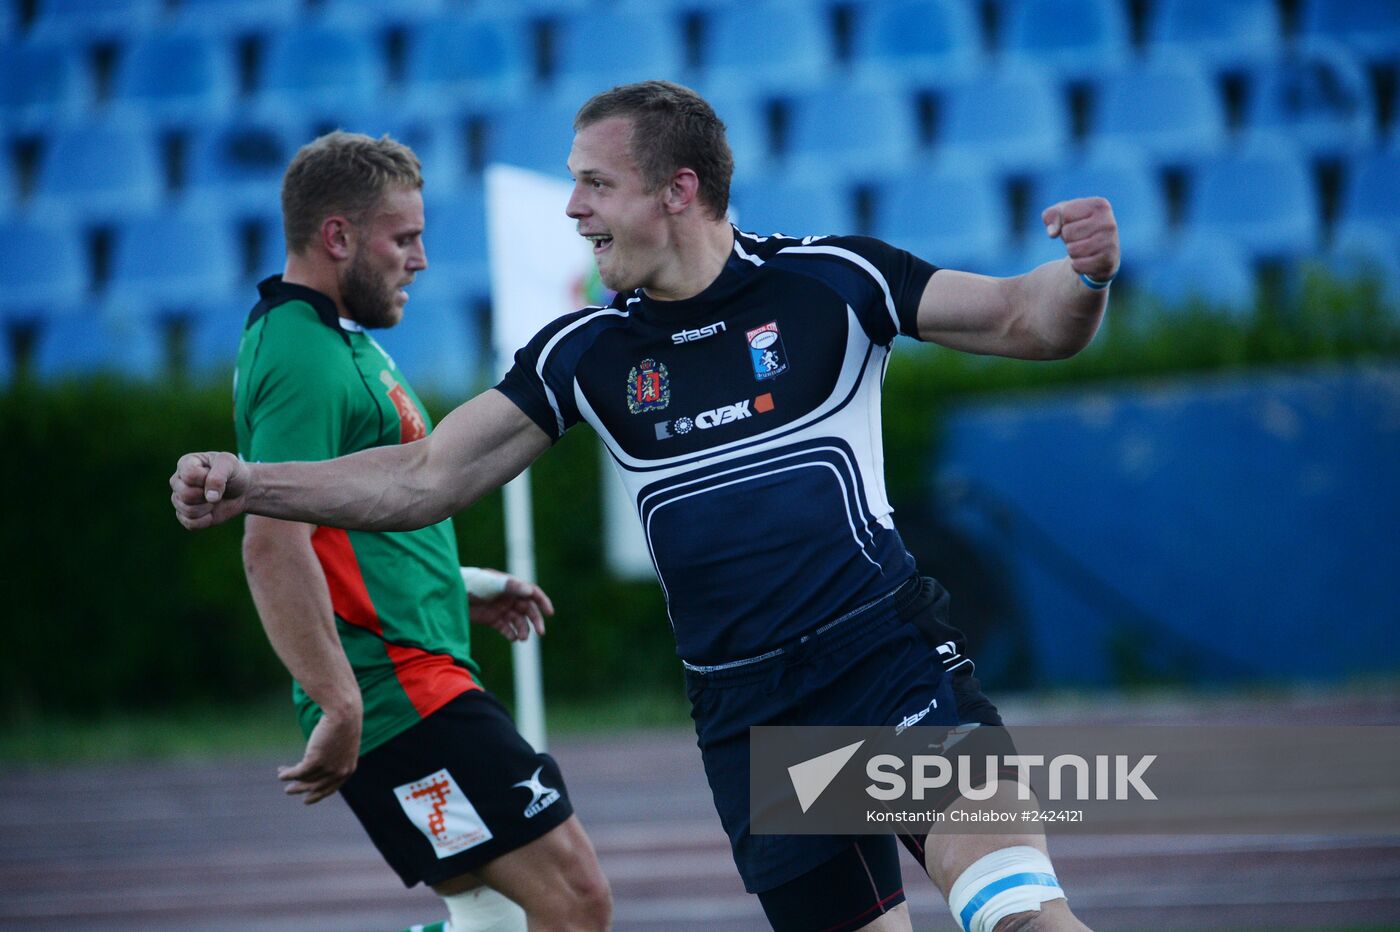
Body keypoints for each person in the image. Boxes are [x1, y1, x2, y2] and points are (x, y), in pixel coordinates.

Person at [173, 84, 1119, 931]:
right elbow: (423, 478)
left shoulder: (833, 281)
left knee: (1014, 910)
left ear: (680, 189)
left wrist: (1086, 277)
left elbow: (1021, 317)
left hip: (884, 664)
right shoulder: (584, 351)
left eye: (594, 184)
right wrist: (255, 481)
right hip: (748, 712)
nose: (575, 209)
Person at [230, 131, 611, 932]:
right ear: (338, 237)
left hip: (415, 680)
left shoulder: (340, 343)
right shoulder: (301, 354)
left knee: (494, 916)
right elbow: (273, 540)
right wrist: (338, 702)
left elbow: (357, 521)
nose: (422, 260)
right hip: (403, 696)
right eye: (403, 238)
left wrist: (461, 587)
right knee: (575, 903)